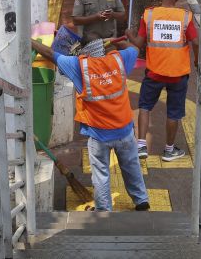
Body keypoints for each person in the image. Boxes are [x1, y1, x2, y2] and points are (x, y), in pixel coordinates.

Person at [31, 37, 149, 212]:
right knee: (131, 166)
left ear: (85, 52)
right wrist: (121, 42)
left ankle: (104, 210)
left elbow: (49, 54)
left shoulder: (79, 65)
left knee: (101, 175)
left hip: (98, 135)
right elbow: (134, 49)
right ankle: (141, 201)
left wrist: (29, 40)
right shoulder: (119, 59)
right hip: (124, 130)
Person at [126, 0, 199, 162]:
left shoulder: (149, 15)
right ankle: (169, 150)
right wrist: (197, 60)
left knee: (144, 106)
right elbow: (196, 42)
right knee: (173, 113)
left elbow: (138, 43)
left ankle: (141, 145)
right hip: (178, 75)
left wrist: (130, 35)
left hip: (153, 73)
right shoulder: (185, 16)